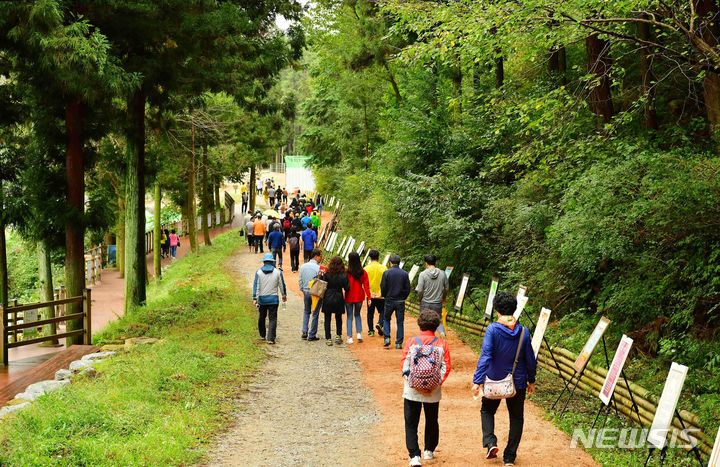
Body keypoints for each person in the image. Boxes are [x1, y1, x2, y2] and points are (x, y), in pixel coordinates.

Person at [472, 292, 537, 466]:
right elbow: (530, 358)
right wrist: (532, 380)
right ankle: (509, 457)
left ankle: (491, 442)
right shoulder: (524, 331)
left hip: (494, 380)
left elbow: (486, 355)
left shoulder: (493, 329)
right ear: (515, 309)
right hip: (518, 381)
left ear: (497, 310)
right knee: (516, 418)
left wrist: (478, 380)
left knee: (487, 411)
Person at [402, 308, 452, 467]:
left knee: (411, 421)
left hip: (412, 391)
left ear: (420, 325)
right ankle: (429, 450)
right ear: (437, 326)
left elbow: (404, 364)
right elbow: (446, 367)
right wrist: (433, 384)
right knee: (432, 419)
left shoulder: (411, 342)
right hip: (433, 391)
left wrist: (413, 382)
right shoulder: (442, 344)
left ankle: (414, 455)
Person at [252, 253, 287, 345]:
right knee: (272, 318)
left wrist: (254, 298)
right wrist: (284, 295)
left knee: (262, 316)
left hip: (262, 300)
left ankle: (262, 334)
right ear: (272, 262)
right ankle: (270, 338)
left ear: (264, 262)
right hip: (273, 300)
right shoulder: (278, 272)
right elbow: (281, 285)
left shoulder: (258, 272)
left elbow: (256, 286)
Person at [380, 254, 410, 349]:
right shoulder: (405, 273)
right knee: (400, 322)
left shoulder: (386, 273)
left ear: (390, 262)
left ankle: (387, 338)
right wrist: (403, 297)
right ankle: (398, 343)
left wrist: (385, 295)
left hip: (389, 300)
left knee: (386, 319)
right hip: (400, 301)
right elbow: (408, 288)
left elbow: (383, 287)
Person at [416, 255, 450, 337]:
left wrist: (419, 299)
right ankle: (441, 332)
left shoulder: (422, 274)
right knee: (438, 320)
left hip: (425, 302)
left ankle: (426, 340)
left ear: (426, 263)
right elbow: (446, 288)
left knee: (424, 322)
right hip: (437, 303)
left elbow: (420, 290)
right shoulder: (442, 274)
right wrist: (443, 298)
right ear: (436, 263)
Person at [322, 256, 349, 346]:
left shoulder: (327, 273)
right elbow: (347, 288)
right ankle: (338, 335)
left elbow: (323, 284)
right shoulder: (343, 275)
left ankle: (328, 338)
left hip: (328, 296)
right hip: (338, 296)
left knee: (327, 318)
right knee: (338, 318)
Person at [345, 252, 371, 344]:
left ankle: (349, 337)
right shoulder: (363, 272)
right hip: (359, 296)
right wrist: (369, 297)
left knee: (349, 316)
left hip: (348, 296)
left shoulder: (346, 272)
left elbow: (344, 284)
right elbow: (366, 285)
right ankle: (359, 333)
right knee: (357, 314)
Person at [299, 249, 323, 341]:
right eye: (320, 256)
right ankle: (312, 334)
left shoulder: (303, 266)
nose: (321, 258)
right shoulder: (319, 268)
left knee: (306, 311)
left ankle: (304, 331)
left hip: (306, 291)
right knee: (315, 313)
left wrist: (302, 289)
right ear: (316, 256)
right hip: (315, 292)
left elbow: (300, 280)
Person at [365, 250, 387, 337]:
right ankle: (380, 323)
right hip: (380, 294)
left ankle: (371, 331)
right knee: (383, 311)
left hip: (370, 294)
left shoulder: (366, 268)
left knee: (370, 313)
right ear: (379, 257)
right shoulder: (383, 268)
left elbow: (364, 282)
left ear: (370, 257)